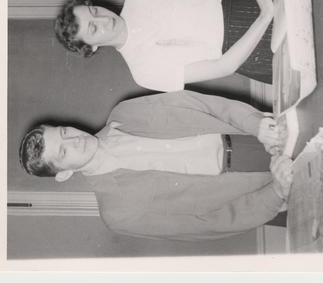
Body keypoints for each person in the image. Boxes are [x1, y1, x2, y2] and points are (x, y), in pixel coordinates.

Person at [19, 90, 294, 241]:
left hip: (257, 134)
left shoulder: (125, 111)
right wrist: (276, 194)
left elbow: (204, 104)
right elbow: (209, 225)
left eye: (64, 132)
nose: (75, 139)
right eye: (64, 152)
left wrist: (255, 123)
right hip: (261, 191)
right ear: (64, 174)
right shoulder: (118, 214)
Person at [55, 0, 276, 92]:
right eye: (94, 29)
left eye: (94, 11)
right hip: (248, 52)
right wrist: (265, 17)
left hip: (246, 4)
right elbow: (223, 67)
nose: (104, 20)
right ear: (91, 48)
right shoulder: (143, 73)